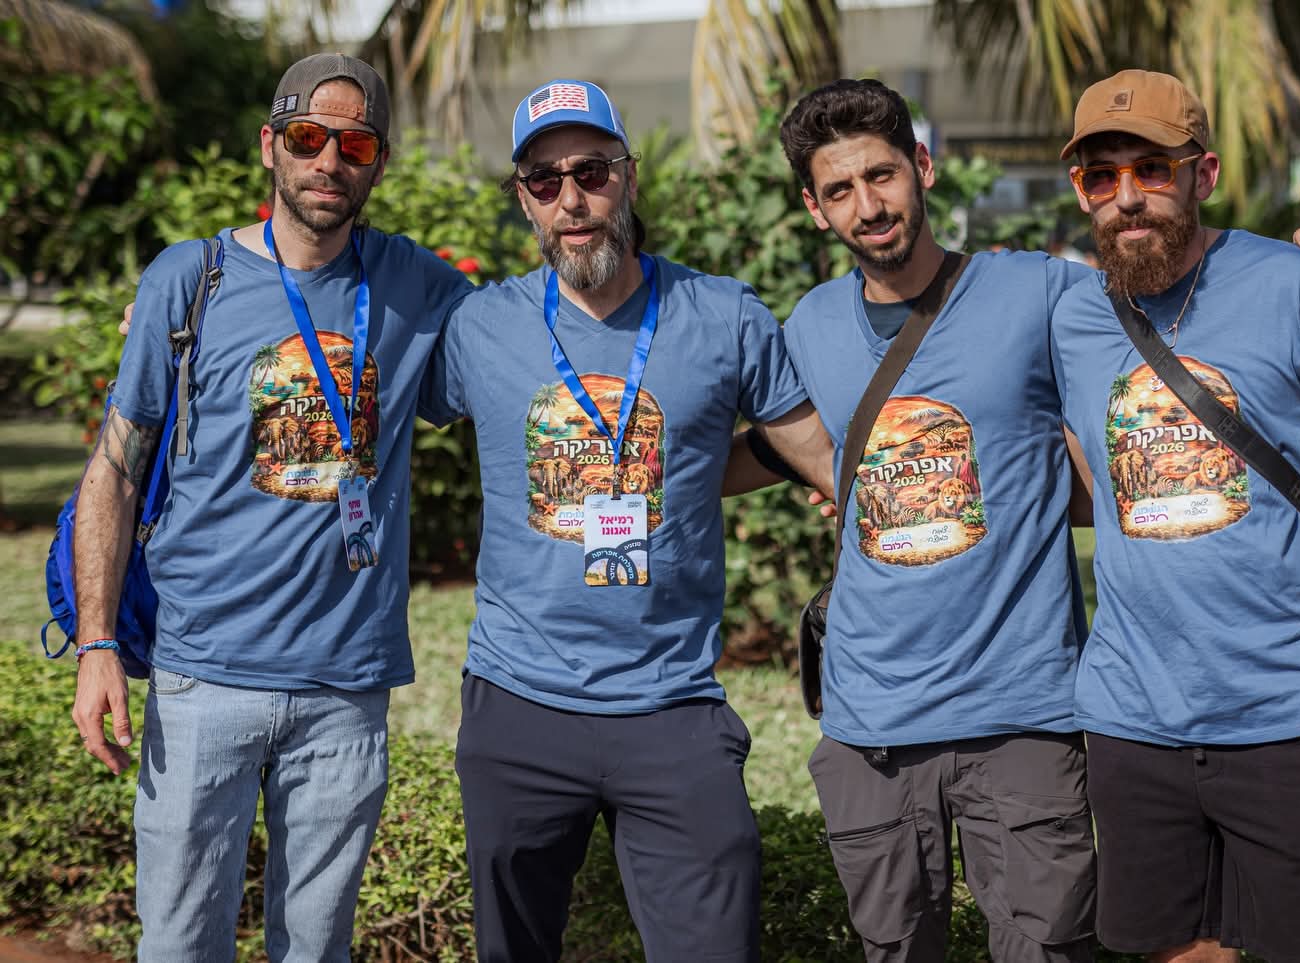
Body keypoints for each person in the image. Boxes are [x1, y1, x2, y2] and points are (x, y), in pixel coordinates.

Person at [771, 77, 1300, 963]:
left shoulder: (1042, 292)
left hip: (1024, 709)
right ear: (814, 208)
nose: (869, 205)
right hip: (872, 722)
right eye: (840, 189)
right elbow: (771, 439)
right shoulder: (809, 324)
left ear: (923, 168)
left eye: (883, 175)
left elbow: (1173, 273)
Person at [418, 79, 833, 962]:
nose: (571, 199)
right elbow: (364, 407)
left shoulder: (723, 315)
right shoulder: (479, 328)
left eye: (592, 171)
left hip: (671, 699)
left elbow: (816, 452)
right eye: (544, 180)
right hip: (519, 700)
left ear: (629, 177)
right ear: (524, 199)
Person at [70, 53, 474, 960]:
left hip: (346, 687)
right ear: (270, 146)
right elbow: (116, 470)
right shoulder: (192, 277)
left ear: (379, 162)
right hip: (202, 675)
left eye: (355, 144)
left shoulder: (416, 285)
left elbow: (529, 344)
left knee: (317, 947)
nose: (329, 160)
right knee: (179, 943)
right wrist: (97, 646)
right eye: (307, 137)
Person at [1050, 68, 1300, 963]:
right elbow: (1095, 485)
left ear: (1205, 173)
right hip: (1132, 719)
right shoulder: (1070, 316)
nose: (1126, 197)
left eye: (1152, 168)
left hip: (1287, 713)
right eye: (1101, 176)